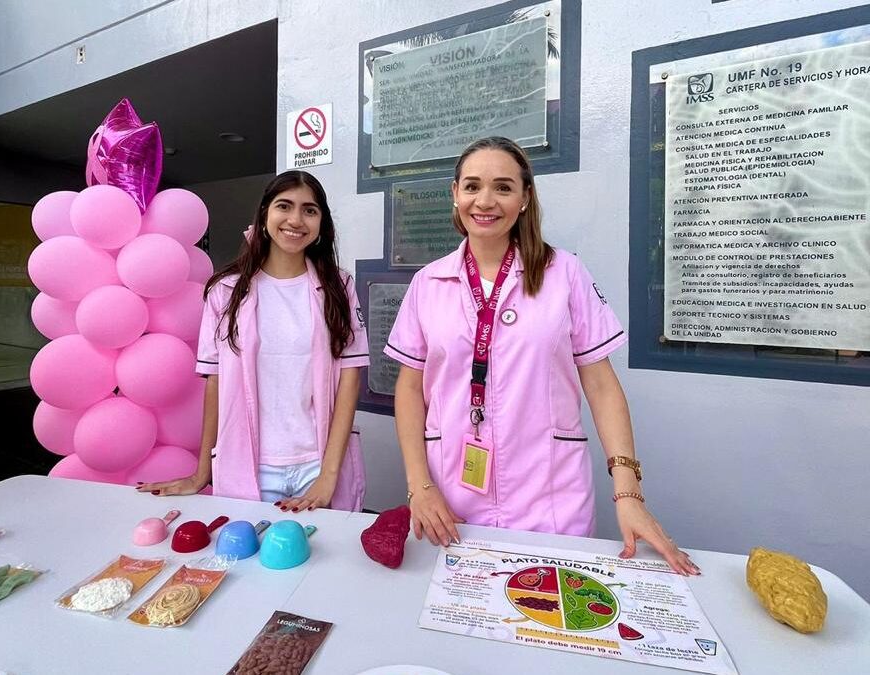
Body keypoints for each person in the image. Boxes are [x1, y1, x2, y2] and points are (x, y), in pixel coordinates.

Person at [386, 137, 699, 575]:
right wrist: (419, 487)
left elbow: (602, 385)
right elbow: (410, 387)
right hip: (451, 498)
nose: (486, 201)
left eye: (504, 187)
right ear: (455, 194)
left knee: (548, 618)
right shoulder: (427, 283)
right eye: (473, 186)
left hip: (551, 497)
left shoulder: (564, 274)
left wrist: (628, 495)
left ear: (525, 197)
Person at [138, 171, 369, 512]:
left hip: (318, 464)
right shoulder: (226, 292)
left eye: (309, 210)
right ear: (264, 216)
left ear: (322, 222)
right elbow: (214, 383)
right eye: (284, 206)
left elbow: (350, 378)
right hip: (250, 466)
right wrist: (203, 471)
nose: (295, 219)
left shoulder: (339, 286)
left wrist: (328, 476)